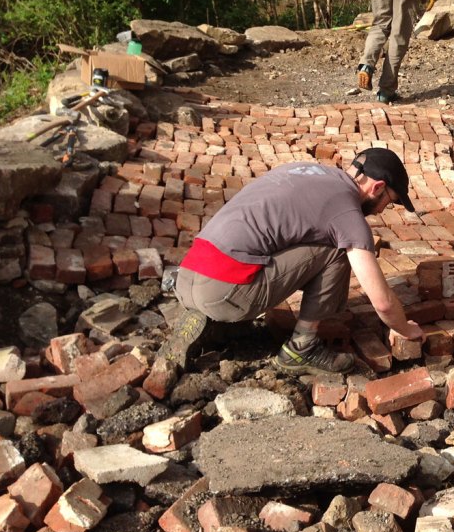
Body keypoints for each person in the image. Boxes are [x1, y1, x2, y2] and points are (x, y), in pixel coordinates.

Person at [160, 148, 425, 375]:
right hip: (222, 290)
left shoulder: (305, 170)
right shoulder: (346, 211)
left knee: (284, 239)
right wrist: (405, 329)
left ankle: (216, 322)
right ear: (377, 187)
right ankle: (302, 348)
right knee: (336, 250)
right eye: (388, 203)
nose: (381, 211)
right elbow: (382, 302)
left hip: (186, 277)